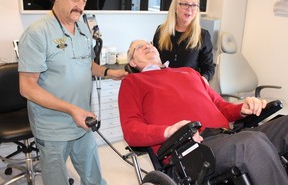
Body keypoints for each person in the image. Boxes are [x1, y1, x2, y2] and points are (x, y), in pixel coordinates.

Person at [118, 40, 288, 185]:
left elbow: (221, 106)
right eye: (139, 47)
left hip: (228, 136)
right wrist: (169, 131)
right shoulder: (132, 82)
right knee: (250, 142)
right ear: (132, 62)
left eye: (149, 43)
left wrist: (242, 108)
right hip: (191, 152)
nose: (147, 46)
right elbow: (131, 130)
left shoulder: (189, 72)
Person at [18, 0, 127, 185]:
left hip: (82, 121)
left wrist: (109, 72)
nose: (80, 5)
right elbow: (27, 87)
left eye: (84, 0)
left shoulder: (83, 29)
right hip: (53, 128)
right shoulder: (37, 33)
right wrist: (71, 109)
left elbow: (85, 63)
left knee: (94, 178)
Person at [152, 0, 214, 84]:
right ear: (175, 7)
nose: (189, 8)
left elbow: (208, 67)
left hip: (188, 87)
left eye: (194, 5)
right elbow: (153, 60)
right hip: (163, 85)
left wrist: (204, 79)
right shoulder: (161, 31)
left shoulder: (203, 35)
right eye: (185, 4)